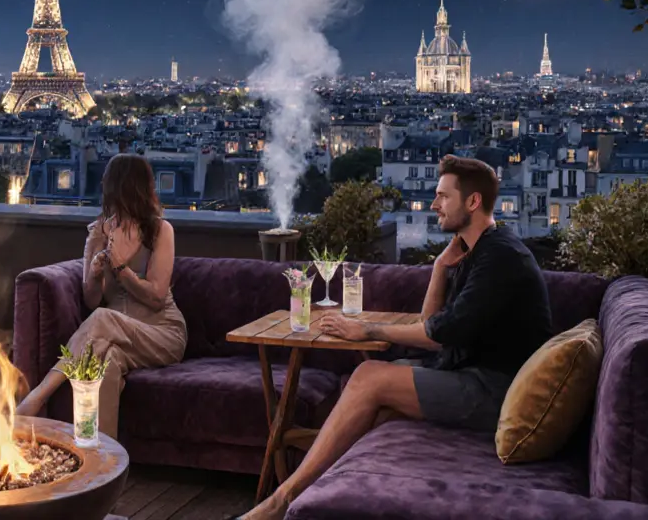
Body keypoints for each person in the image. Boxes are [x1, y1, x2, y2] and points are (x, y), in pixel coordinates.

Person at [237, 155, 553, 520]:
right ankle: (320, 502)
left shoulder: (499, 258)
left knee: (370, 378)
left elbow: (437, 335)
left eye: (443, 196)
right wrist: (438, 268)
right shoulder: (480, 251)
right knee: (374, 400)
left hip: (497, 391)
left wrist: (366, 329)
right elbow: (432, 323)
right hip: (479, 378)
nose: (434, 204)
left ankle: (281, 501)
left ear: (473, 202)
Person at [15, 153, 187, 439]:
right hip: (114, 334)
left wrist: (120, 268)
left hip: (161, 332)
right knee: (105, 363)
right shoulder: (98, 233)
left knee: (104, 318)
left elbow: (157, 297)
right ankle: (103, 459)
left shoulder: (159, 231)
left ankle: (38, 396)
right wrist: (95, 275)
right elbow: (91, 300)